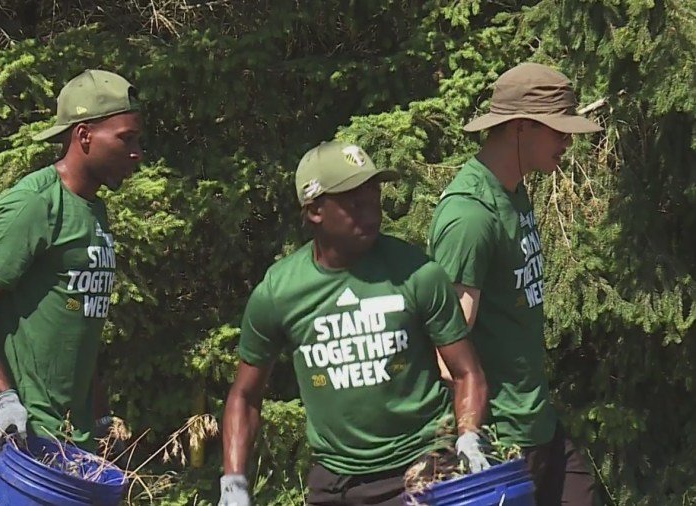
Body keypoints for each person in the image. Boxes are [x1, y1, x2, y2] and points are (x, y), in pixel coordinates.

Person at [219, 141, 489, 506]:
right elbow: (244, 396)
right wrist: (233, 483)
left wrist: (469, 437)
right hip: (336, 482)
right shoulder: (279, 292)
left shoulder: (417, 273)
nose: (372, 213)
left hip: (422, 468)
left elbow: (467, 372)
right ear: (315, 210)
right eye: (354, 204)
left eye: (374, 197)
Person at [0, 69, 143, 506]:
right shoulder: (35, 203)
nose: (137, 153)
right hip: (18, 444)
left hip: (72, 444)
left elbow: (79, 325)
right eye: (125, 139)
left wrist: (99, 416)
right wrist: (5, 402)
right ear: (84, 135)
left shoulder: (93, 212)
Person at [427, 62, 602, 505]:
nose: (568, 141)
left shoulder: (514, 191)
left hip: (538, 424)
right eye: (558, 131)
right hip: (500, 443)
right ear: (520, 127)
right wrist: (468, 443)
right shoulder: (470, 215)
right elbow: (447, 354)